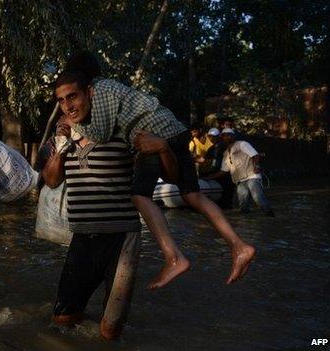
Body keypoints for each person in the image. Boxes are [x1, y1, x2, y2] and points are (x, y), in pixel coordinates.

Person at [63, 52, 256, 286]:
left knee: (140, 196)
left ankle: (174, 258)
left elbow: (101, 134)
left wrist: (70, 121)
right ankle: (239, 245)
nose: (67, 104)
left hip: (154, 133)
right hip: (175, 130)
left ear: (84, 83)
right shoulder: (111, 87)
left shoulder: (100, 89)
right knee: (192, 195)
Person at [41, 104, 176, 339]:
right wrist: (61, 147)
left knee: (109, 332)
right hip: (82, 239)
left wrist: (163, 148)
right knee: (62, 320)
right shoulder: (62, 141)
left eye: (72, 99)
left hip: (121, 239)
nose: (67, 109)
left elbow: (172, 176)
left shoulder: (121, 134)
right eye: (61, 101)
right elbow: (51, 181)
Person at [206, 128, 274, 217]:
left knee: (258, 200)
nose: (226, 137)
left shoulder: (242, 144)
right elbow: (223, 171)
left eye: (228, 135)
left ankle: (270, 217)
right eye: (224, 136)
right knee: (243, 206)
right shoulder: (226, 153)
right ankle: (246, 223)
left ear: (233, 136)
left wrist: (257, 166)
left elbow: (255, 155)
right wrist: (209, 178)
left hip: (252, 176)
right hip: (240, 181)